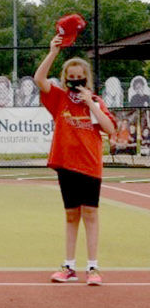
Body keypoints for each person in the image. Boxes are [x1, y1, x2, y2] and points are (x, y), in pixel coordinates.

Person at [34, 36, 117, 285]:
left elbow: (110, 129)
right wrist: (53, 52)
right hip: (66, 164)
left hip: (90, 165)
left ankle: (93, 267)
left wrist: (91, 103)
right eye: (71, 77)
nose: (75, 80)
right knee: (71, 216)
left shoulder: (96, 101)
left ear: (87, 78)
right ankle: (69, 267)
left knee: (90, 214)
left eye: (80, 76)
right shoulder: (59, 98)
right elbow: (39, 80)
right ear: (65, 78)